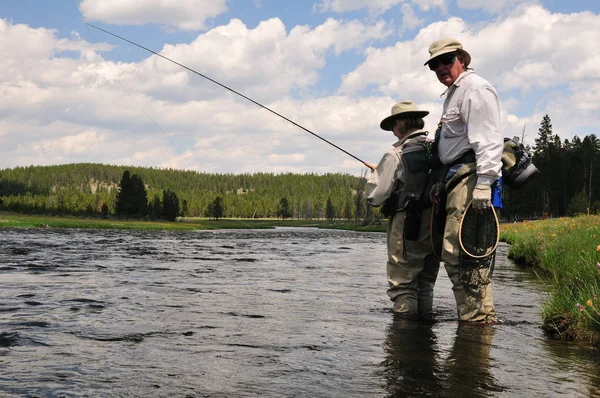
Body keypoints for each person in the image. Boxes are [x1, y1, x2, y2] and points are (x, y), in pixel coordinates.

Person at [424, 38, 504, 323]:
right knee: (470, 253)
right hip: (455, 177)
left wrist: (484, 182)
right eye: (435, 64)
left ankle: (474, 320)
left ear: (462, 59)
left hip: (471, 178)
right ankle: (483, 321)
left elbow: (489, 140)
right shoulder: (453, 93)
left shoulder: (475, 88)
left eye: (446, 60)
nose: (441, 67)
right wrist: (441, 182)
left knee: (458, 253)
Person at [366, 100, 440, 318]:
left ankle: (404, 340)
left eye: (392, 125)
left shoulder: (395, 154)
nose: (392, 131)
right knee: (425, 284)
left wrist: (376, 173)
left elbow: (376, 197)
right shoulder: (436, 147)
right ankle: (424, 337)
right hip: (436, 224)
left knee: (404, 285)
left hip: (407, 224)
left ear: (399, 123)